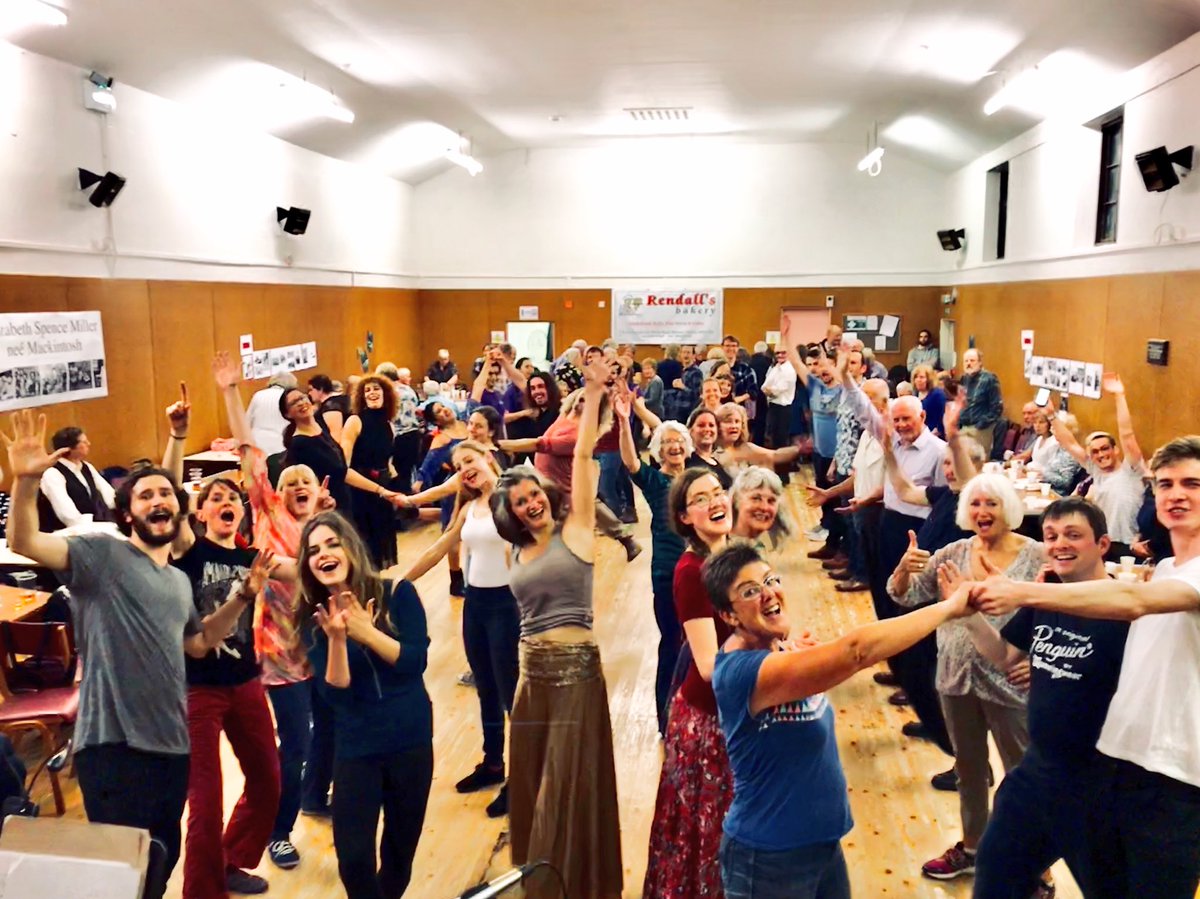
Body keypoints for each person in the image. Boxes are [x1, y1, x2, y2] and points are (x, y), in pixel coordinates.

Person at [3, 409, 269, 899]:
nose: (158, 500)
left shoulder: (177, 582)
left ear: (180, 509)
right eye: (145, 495)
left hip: (171, 745)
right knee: (123, 876)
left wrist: (241, 598)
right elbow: (24, 541)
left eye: (166, 493)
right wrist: (25, 482)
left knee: (157, 865)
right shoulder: (100, 556)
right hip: (113, 745)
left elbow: (198, 642)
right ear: (128, 513)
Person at [972, 434, 1200, 899]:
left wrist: (1024, 592)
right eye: (1166, 484)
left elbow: (1133, 602)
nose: (1177, 494)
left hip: (1177, 781)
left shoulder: (1170, 581)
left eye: (1193, 484)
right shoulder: (1164, 569)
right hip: (1122, 770)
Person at [705, 542, 973, 899]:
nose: (769, 593)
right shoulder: (744, 673)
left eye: (771, 580)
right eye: (750, 591)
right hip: (769, 858)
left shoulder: (776, 648)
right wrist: (948, 608)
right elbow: (857, 652)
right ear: (729, 616)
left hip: (822, 845)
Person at [489, 357, 623, 899]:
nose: (531, 502)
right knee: (531, 785)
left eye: (535, 494)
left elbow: (586, 455)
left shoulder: (579, 530)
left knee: (564, 790)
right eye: (521, 501)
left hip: (574, 677)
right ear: (514, 512)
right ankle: (539, 877)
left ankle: (564, 887)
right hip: (531, 680)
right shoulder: (514, 551)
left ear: (548, 494)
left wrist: (591, 396)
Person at [962, 498, 1128, 899]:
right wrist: (964, 612)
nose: (1059, 545)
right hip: (1037, 772)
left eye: (1073, 535)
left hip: (1098, 784)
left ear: (1102, 544)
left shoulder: (1126, 609)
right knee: (995, 871)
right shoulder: (1044, 599)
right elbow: (1004, 655)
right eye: (1051, 536)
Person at [213, 351, 337, 867]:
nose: (298, 488)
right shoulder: (267, 514)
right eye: (290, 484)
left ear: (318, 492)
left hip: (324, 647)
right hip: (280, 652)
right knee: (295, 745)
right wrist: (229, 392)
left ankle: (312, 797)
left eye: (305, 484)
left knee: (328, 731)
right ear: (276, 493)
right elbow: (249, 451)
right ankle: (278, 830)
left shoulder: (325, 531)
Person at [889, 473, 1042, 881]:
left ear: (1008, 507)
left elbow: (1063, 614)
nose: (982, 512)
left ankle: (1034, 865)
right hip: (955, 678)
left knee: (1022, 776)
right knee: (969, 770)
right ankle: (973, 846)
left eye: (991, 504)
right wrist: (904, 569)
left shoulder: (1038, 557)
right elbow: (903, 593)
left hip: (1011, 682)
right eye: (975, 504)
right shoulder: (953, 552)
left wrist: (1039, 660)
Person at [162, 387, 283, 899]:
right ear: (200, 513)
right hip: (198, 691)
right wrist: (178, 436)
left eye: (232, 499)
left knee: (269, 783)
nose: (226, 504)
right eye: (216, 499)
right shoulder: (188, 549)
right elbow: (166, 491)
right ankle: (202, 891)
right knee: (205, 801)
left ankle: (231, 860)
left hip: (246, 681)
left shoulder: (252, 557)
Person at [301, 513, 433, 899]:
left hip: (409, 741)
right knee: (354, 857)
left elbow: (414, 662)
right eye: (313, 551)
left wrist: (368, 633)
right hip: (357, 748)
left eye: (331, 543)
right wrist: (339, 641)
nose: (323, 554)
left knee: (399, 852)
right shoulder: (313, 619)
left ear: (350, 547)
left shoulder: (398, 594)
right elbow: (336, 696)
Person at [403, 443, 516, 817]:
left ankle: (523, 778)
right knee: (485, 688)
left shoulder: (511, 497)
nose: (465, 469)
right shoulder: (468, 508)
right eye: (458, 466)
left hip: (507, 605)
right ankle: (493, 763)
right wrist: (399, 583)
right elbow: (439, 548)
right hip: (476, 605)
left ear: (488, 458)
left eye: (471, 460)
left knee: (511, 693)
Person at [643, 468, 734, 898]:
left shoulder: (734, 554)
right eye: (702, 498)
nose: (716, 501)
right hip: (708, 722)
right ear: (684, 517)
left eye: (719, 492)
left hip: (735, 711)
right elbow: (709, 666)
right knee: (705, 835)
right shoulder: (690, 571)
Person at [616, 385, 692, 735]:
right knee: (672, 642)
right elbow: (631, 463)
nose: (674, 447)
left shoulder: (697, 480)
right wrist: (623, 419)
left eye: (679, 441)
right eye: (667, 442)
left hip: (699, 572)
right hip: (667, 572)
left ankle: (693, 709)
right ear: (659, 449)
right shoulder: (656, 480)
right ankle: (666, 716)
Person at [1048, 374, 1145, 558]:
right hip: (1102, 543)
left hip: (1128, 546)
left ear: (1116, 450)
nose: (1101, 455)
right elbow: (1069, 443)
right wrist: (1051, 416)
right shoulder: (1096, 471)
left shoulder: (1131, 470)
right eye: (1095, 452)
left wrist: (1119, 396)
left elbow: (1127, 434)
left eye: (1105, 449)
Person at [339, 376, 400, 569]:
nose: (372, 393)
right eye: (367, 391)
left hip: (382, 491)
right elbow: (344, 465)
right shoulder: (355, 421)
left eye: (376, 389)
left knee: (379, 548)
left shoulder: (388, 424)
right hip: (360, 492)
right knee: (365, 548)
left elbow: (388, 460)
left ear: (386, 393)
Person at [36, 426, 115, 531]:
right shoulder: (52, 473)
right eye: (84, 442)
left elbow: (109, 494)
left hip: (90, 528)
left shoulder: (87, 467)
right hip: (61, 534)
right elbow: (67, 515)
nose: (89, 444)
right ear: (69, 448)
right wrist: (94, 526)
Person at [715, 402, 800, 479]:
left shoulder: (746, 448)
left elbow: (775, 455)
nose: (734, 426)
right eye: (728, 421)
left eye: (737, 421)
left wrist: (799, 449)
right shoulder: (712, 453)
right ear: (717, 426)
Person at [730, 465, 794, 547]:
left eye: (771, 501)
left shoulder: (782, 543)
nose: (764, 507)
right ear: (736, 499)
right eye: (756, 498)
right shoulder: (721, 546)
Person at [957, 349, 1003, 457]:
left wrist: (981, 425)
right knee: (963, 461)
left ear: (980, 362)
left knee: (978, 462)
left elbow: (997, 407)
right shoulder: (964, 378)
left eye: (972, 360)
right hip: (964, 427)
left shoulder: (989, 379)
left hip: (981, 430)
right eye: (966, 361)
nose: (969, 363)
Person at [760, 345, 798, 456]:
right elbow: (764, 386)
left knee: (781, 441)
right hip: (773, 406)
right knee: (773, 438)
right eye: (777, 353)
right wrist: (769, 390)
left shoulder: (789, 370)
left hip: (783, 409)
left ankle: (782, 469)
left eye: (783, 353)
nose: (780, 355)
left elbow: (776, 391)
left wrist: (769, 391)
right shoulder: (775, 367)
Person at [247, 372, 296, 456]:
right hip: (280, 446)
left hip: (257, 446)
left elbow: (246, 422)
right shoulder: (288, 398)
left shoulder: (258, 395)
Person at [665, 344, 704, 421]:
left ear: (693, 356)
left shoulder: (696, 372)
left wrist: (682, 387)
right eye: (684, 352)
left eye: (688, 352)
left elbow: (697, 394)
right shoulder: (683, 371)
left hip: (687, 413)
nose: (686, 355)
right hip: (677, 410)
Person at [308, 374, 350, 441]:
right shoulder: (343, 399)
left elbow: (336, 437)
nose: (309, 393)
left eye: (311, 389)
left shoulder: (330, 406)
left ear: (321, 389)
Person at [910, 364, 946, 438]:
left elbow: (942, 417)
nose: (918, 380)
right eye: (916, 377)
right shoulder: (915, 395)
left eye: (922, 377)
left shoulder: (937, 394)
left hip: (934, 436)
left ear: (929, 379)